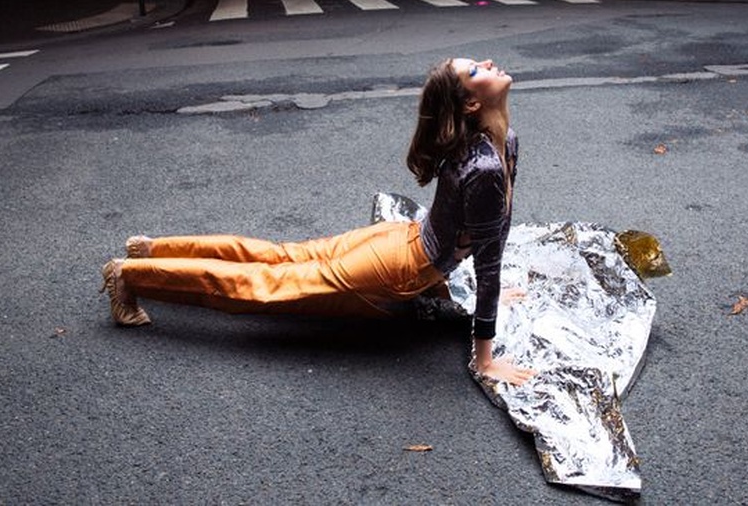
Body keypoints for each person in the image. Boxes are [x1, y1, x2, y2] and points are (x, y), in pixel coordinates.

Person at [100, 58, 536, 385]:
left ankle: (151, 249)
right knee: (268, 284)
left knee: (279, 257)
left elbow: (488, 237)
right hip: (400, 262)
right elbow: (488, 262)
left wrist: (485, 291)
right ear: (472, 103)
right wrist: (484, 360)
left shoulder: (503, 143)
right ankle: (130, 275)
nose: (488, 63)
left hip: (398, 241)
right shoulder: (488, 164)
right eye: (475, 69)